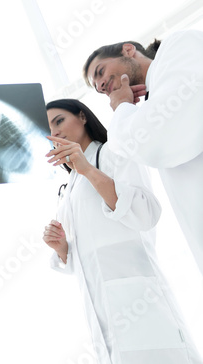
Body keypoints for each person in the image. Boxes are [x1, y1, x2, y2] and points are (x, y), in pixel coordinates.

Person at [43, 99, 202, 363]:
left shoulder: (113, 153)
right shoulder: (69, 186)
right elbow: (85, 259)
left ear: (82, 116)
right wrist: (62, 249)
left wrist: (87, 170)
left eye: (59, 120)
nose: (55, 132)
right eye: (48, 128)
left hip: (139, 300)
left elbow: (146, 212)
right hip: (101, 311)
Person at [83, 29, 203, 276]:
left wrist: (122, 106)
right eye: (98, 88)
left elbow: (150, 137)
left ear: (128, 50)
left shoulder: (179, 45)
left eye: (100, 72)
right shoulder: (150, 105)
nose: (102, 85)